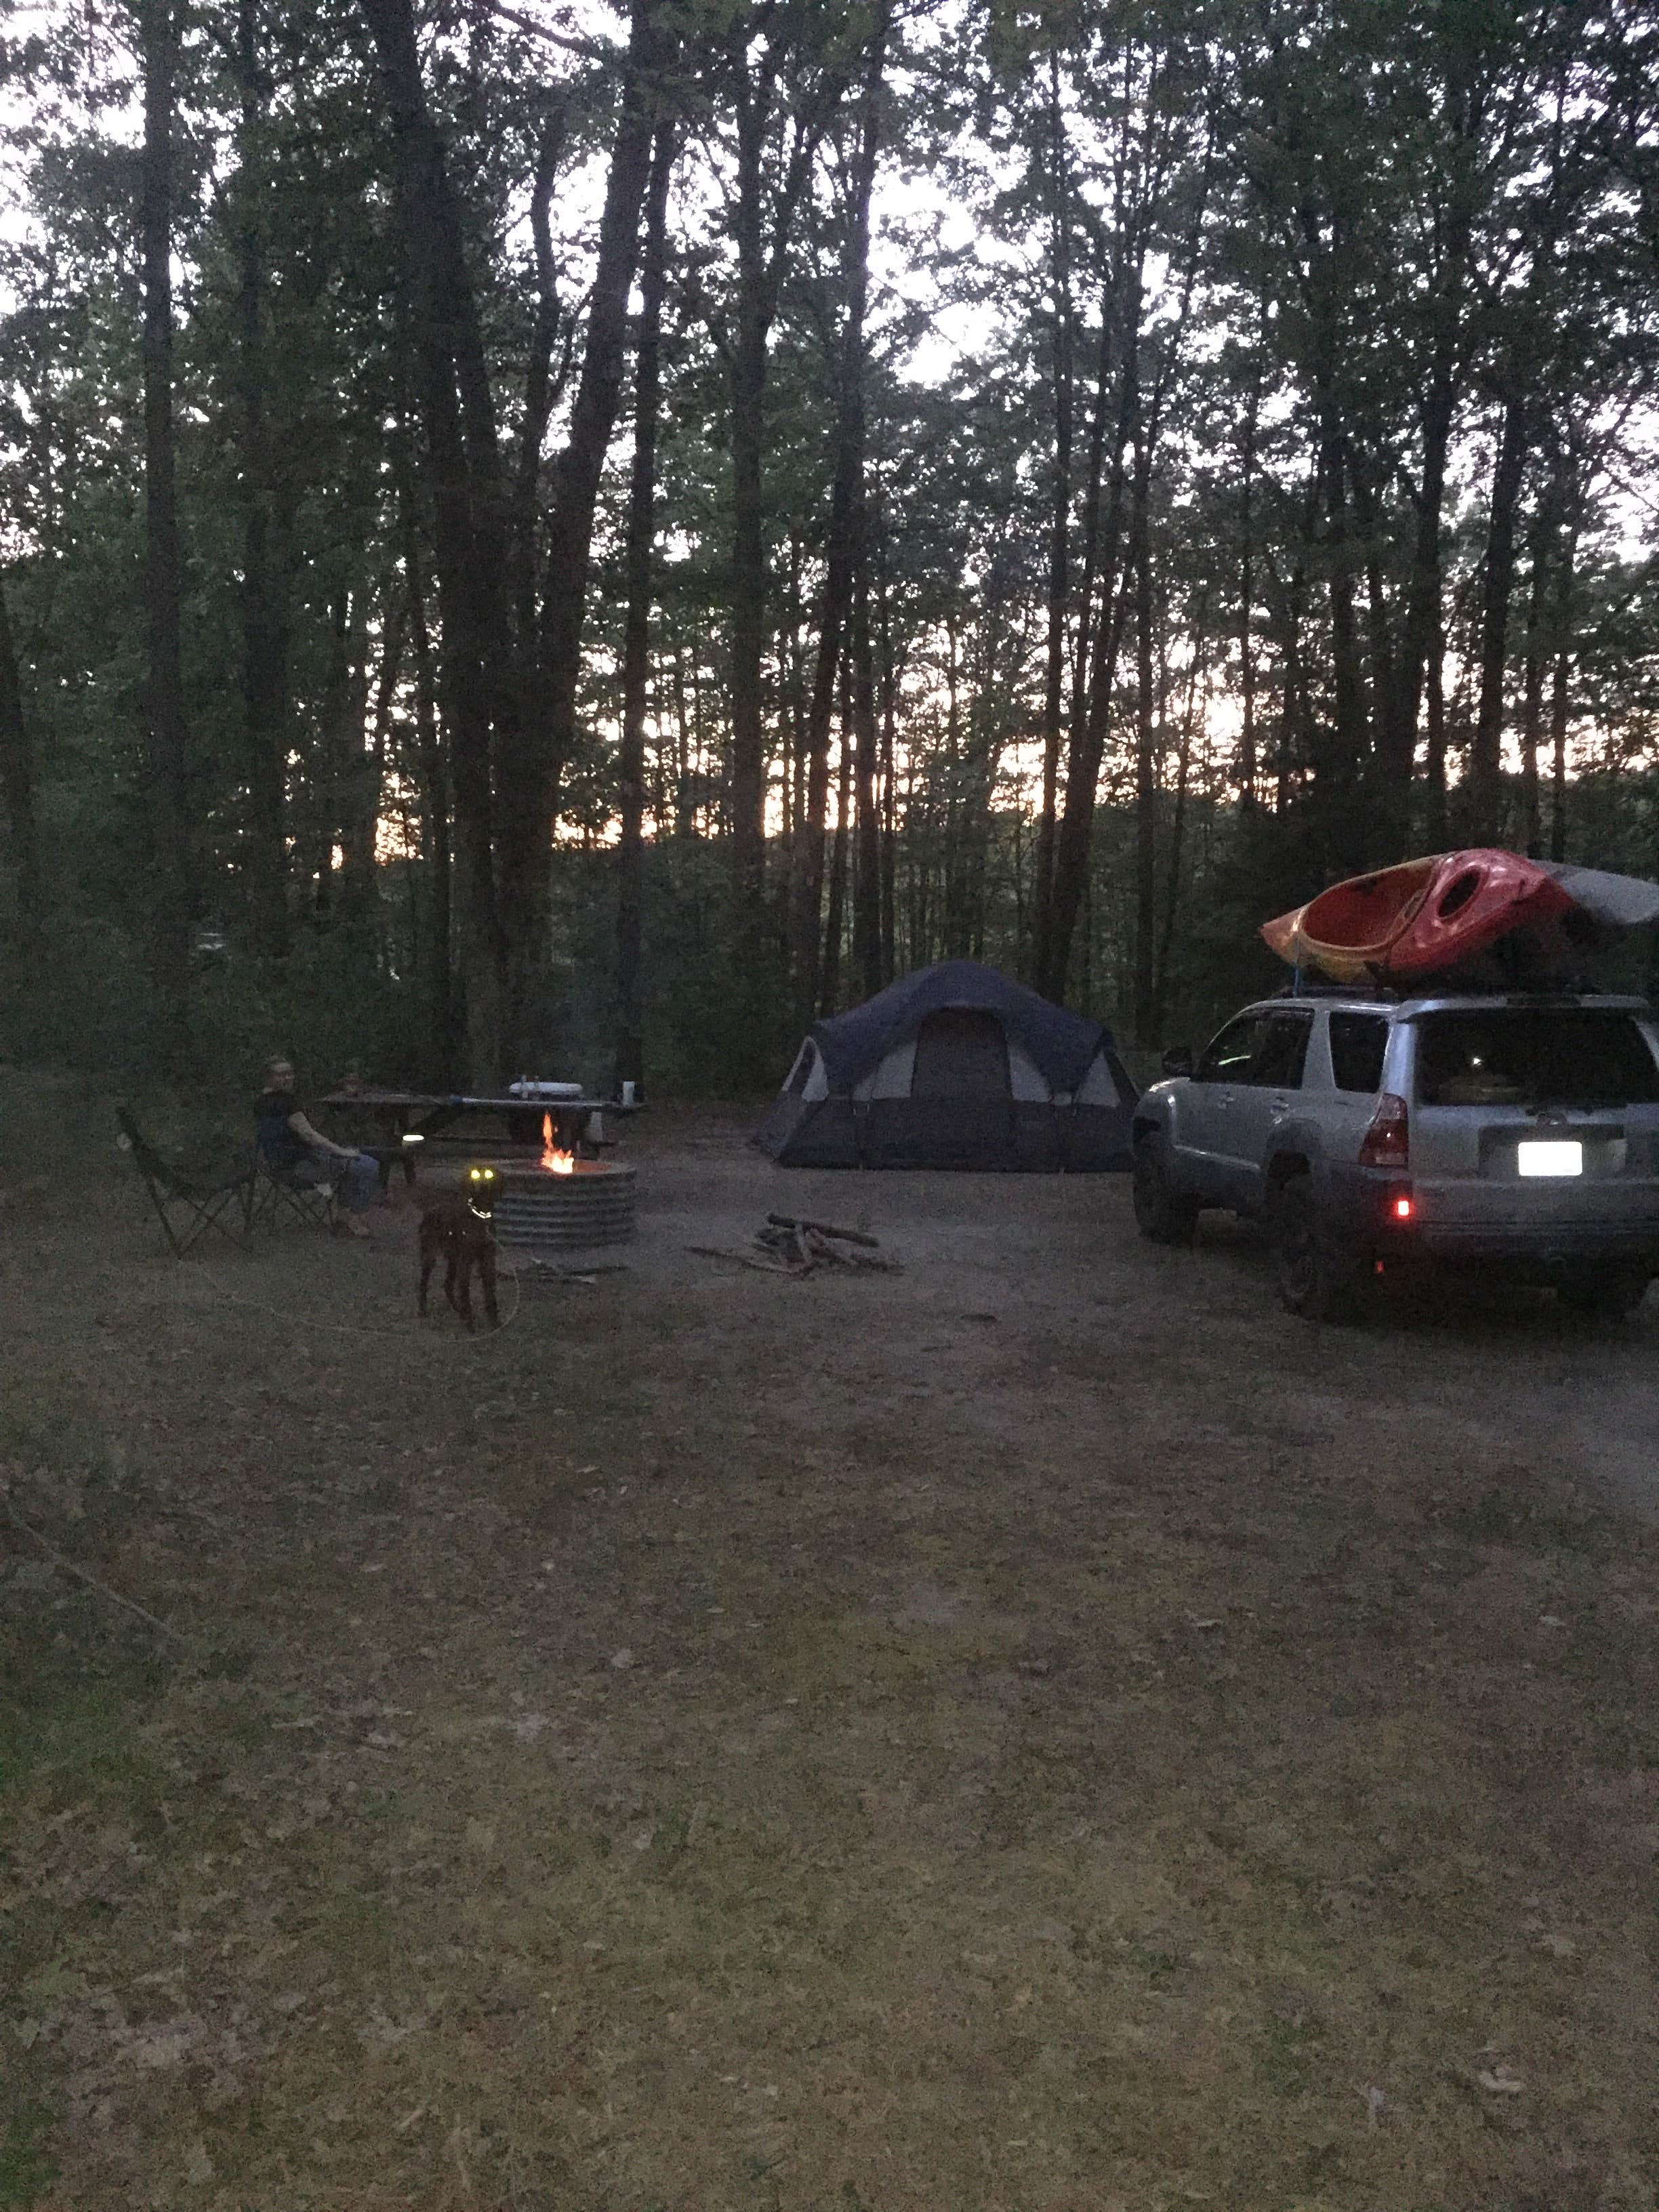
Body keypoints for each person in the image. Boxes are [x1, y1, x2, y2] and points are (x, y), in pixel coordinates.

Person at [255, 1057, 379, 1237]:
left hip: (277, 1164)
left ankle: (344, 1218)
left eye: (290, 1073)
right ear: (269, 1078)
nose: (288, 1078)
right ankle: (351, 1220)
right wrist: (342, 1152)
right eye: (281, 1075)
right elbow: (309, 1136)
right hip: (299, 1167)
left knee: (356, 1163)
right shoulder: (285, 1103)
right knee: (367, 1165)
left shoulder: (262, 1101)